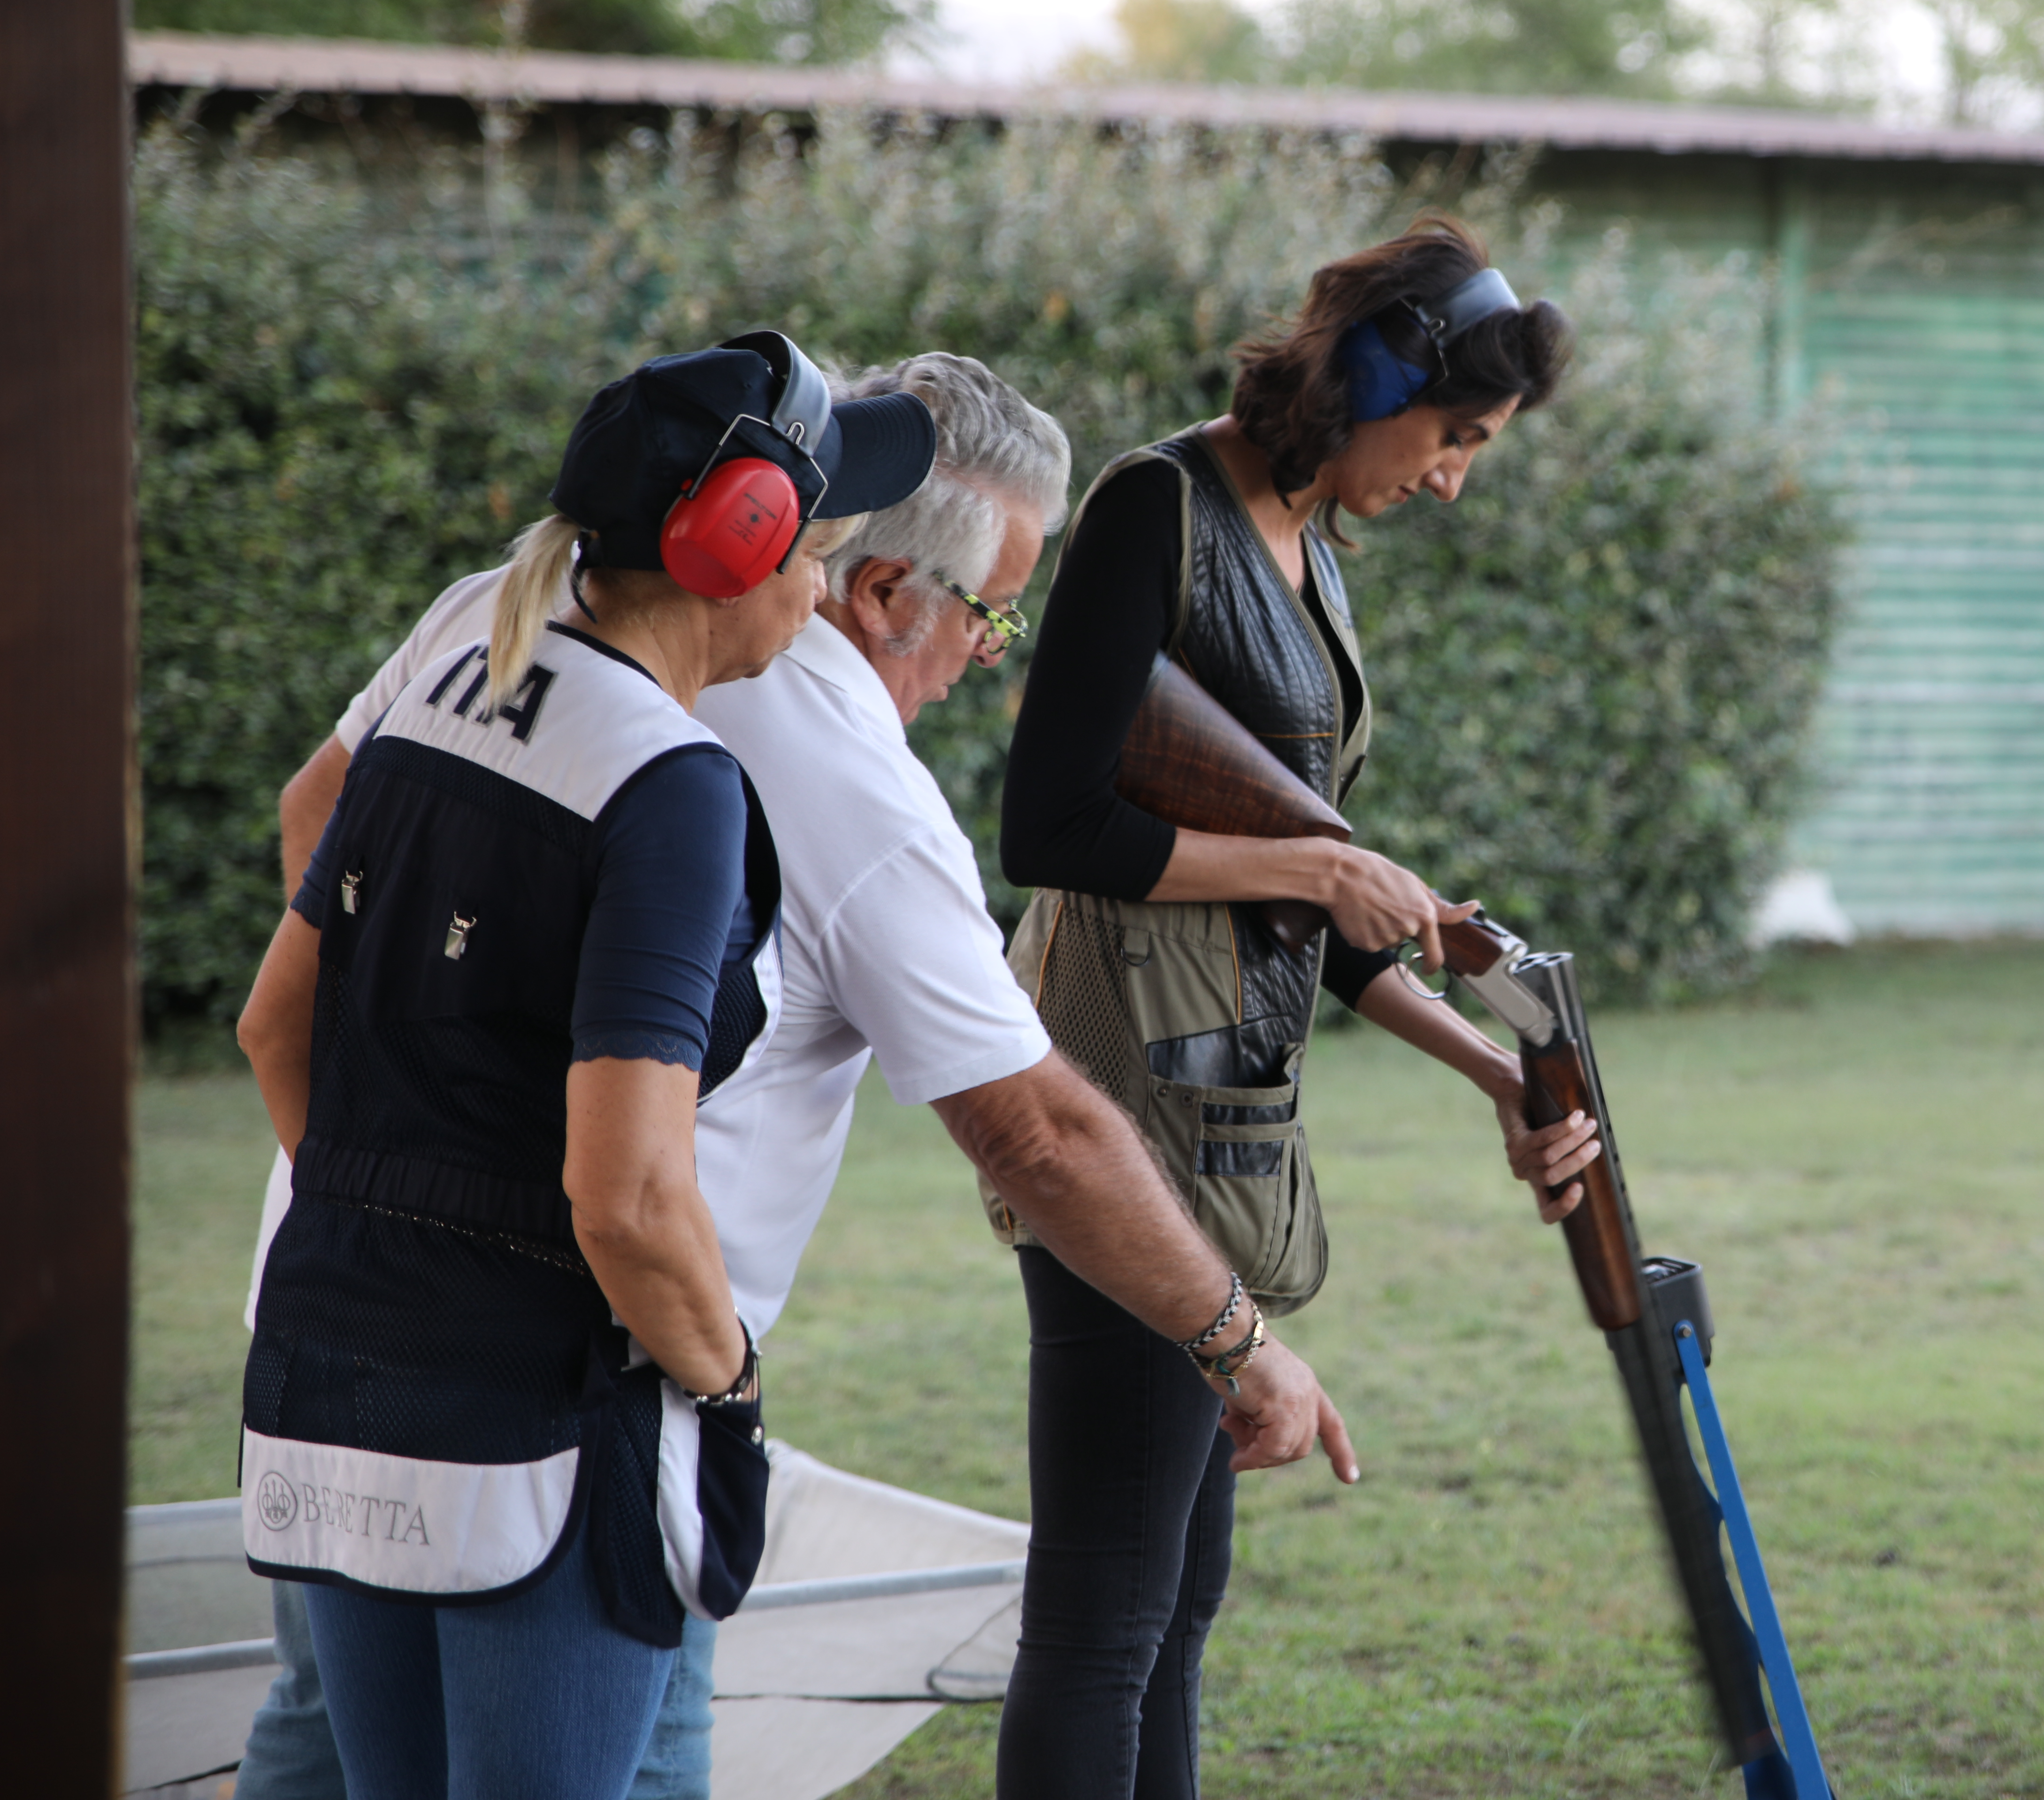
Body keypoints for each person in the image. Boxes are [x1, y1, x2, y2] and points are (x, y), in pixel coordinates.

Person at [233, 353, 1354, 1800]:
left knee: (324, 1749)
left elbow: (296, 920)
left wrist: (370, 1195)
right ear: (822, 567)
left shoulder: (487, 616)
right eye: (996, 616)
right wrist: (726, 1386)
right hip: (573, 1391)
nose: (830, 577)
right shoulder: (700, 781)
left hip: (331, 1322)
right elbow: (1025, 1136)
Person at [988, 218, 1599, 1798]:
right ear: (1380, 377)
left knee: (1175, 1608)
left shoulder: (1310, 547)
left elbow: (1302, 901)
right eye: (1455, 435)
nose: (1457, 475)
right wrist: (1323, 874)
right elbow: (1050, 825)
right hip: (1117, 1101)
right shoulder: (1154, 507)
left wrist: (1492, 1076)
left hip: (1228, 1113)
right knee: (1106, 1617)